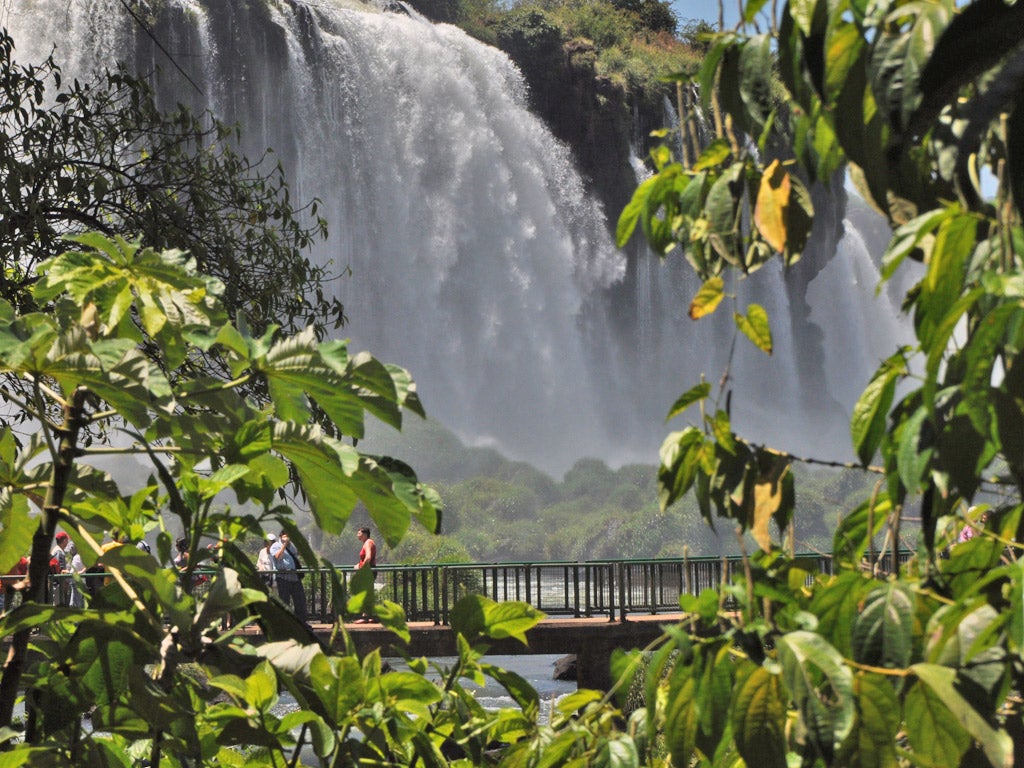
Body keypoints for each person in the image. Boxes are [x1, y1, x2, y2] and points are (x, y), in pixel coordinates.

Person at [270, 531, 307, 622]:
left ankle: (302, 623)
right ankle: (285, 623)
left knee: (300, 602)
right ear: (281, 536)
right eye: (285, 536)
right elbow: (278, 556)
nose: (287, 538)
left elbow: (299, 554)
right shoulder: (275, 546)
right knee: (284, 602)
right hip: (283, 578)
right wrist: (285, 544)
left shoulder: (292, 545)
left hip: (295, 578)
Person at [354, 526, 377, 623]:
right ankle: (368, 616)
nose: (357, 535)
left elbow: (368, 558)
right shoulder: (368, 542)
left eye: (359, 533)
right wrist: (358, 564)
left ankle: (365, 617)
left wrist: (361, 568)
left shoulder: (368, 543)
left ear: (364, 534)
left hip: (368, 572)